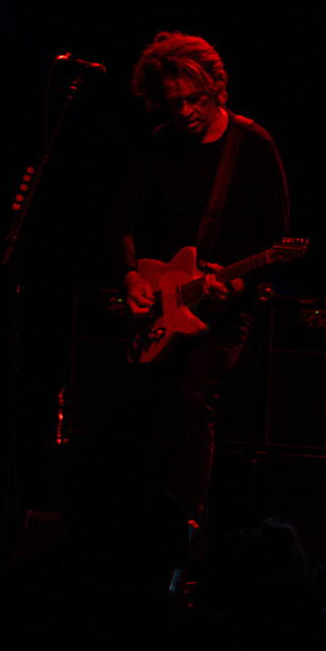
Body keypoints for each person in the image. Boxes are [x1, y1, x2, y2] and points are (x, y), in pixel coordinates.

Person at [109, 31, 290, 527]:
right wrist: (130, 276)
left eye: (195, 99)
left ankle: (187, 532)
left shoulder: (251, 146)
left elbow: (277, 243)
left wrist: (235, 284)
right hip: (162, 301)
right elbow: (122, 221)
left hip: (226, 308)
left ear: (217, 88)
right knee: (142, 409)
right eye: (173, 103)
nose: (185, 111)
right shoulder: (157, 147)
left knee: (193, 399)